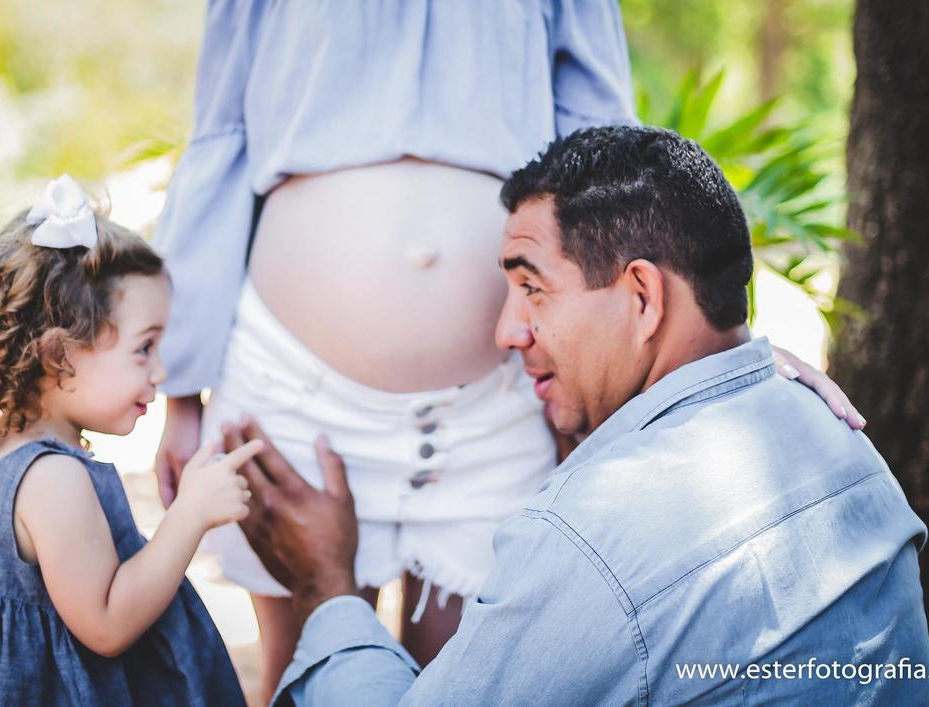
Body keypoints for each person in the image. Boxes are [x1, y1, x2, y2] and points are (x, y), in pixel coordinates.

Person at [151, 3, 864, 699]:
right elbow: (221, 137)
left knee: (476, 681)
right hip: (294, 379)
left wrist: (716, 349)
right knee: (302, 676)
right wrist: (181, 392)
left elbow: (612, 153)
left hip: (501, 402)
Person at [228, 127, 929, 705]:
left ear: (642, 298)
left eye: (532, 287)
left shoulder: (597, 532)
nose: (507, 332)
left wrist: (327, 584)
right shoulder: (837, 438)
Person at [0, 176, 262, 706]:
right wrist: (192, 514)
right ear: (58, 355)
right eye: (144, 349)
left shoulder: (0, 452)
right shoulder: (52, 480)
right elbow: (108, 625)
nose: (161, 371)